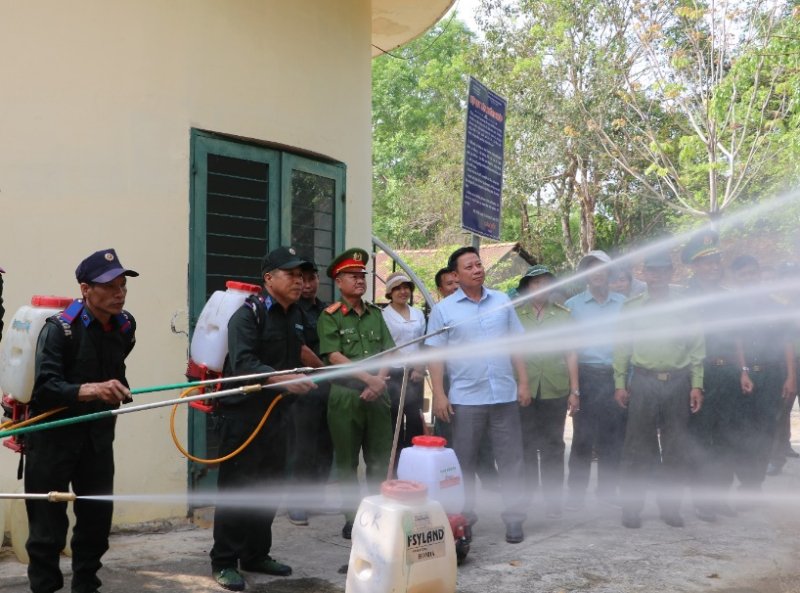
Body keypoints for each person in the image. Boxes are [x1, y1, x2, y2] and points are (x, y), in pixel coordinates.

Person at [25, 248, 138, 593]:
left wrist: (117, 389)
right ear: (86, 289)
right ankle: (45, 588)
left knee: (95, 523)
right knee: (47, 529)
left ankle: (86, 585)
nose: (119, 293)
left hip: (98, 440)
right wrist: (92, 390)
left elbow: (116, 369)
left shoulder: (125, 325)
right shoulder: (60, 329)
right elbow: (45, 389)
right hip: (53, 441)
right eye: (109, 287)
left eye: (123, 285)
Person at [210, 246, 319, 592]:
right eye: (291, 275)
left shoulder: (295, 315)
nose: (299, 281)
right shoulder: (247, 316)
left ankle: (256, 554)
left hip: (277, 415)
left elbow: (296, 354)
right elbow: (244, 366)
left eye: (302, 276)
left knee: (269, 486)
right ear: (269, 278)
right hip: (242, 415)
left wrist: (315, 371)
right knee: (238, 489)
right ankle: (224, 561)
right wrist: (285, 379)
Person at [426, 246, 530, 544]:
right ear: (455, 276)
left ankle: (514, 519)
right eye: (469, 267)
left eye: (479, 264)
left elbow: (516, 345)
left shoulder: (501, 300)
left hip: (504, 396)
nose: (477, 269)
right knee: (464, 464)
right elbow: (436, 356)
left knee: (511, 460)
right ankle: (464, 520)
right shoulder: (444, 309)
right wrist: (439, 395)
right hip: (465, 400)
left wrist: (523, 382)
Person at [613, 251, 705, 529]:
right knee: (636, 448)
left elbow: (696, 347)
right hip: (643, 381)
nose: (658, 275)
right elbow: (622, 348)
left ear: (671, 273)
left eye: (663, 270)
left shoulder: (686, 305)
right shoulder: (632, 306)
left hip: (678, 382)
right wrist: (619, 384)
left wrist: (697, 385)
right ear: (645, 274)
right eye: (652, 270)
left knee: (676, 448)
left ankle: (670, 508)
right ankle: (631, 508)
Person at [317, 247, 395, 540]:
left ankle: (379, 513)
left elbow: (388, 351)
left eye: (362, 275)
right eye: (352, 276)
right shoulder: (331, 316)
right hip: (346, 397)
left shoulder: (376, 313)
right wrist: (369, 380)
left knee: (379, 459)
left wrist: (380, 381)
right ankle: (352, 517)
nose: (360, 280)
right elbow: (333, 356)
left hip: (378, 396)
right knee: (347, 461)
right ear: (338, 281)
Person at [679, 232, 739, 522]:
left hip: (727, 373)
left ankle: (720, 496)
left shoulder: (728, 297)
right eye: (707, 262)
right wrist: (694, 382)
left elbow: (737, 336)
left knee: (727, 436)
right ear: (694, 266)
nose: (714, 266)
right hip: (699, 374)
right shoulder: (683, 298)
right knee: (700, 437)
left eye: (716, 260)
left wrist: (742, 370)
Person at [731, 256, 796, 504]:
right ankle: (744, 478)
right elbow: (736, 343)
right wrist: (743, 370)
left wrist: (790, 377)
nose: (750, 278)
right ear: (737, 279)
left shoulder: (777, 306)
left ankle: (753, 484)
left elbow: (787, 343)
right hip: (744, 376)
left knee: (765, 430)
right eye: (744, 275)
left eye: (753, 273)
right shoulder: (734, 307)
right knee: (742, 430)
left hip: (772, 375)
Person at [515, 265, 579, 519]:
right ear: (527, 287)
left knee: (553, 444)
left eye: (545, 282)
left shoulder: (564, 315)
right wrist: (522, 384)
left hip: (555, 388)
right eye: (535, 283)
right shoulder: (516, 315)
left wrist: (575, 391)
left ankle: (553, 499)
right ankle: (527, 496)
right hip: (524, 388)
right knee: (526, 444)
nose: (540, 287)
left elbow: (571, 353)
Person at [565, 251, 627, 510]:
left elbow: (630, 344)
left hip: (616, 376)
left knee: (614, 437)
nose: (597, 273)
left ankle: (607, 490)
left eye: (602, 268)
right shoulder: (573, 305)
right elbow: (569, 350)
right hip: (586, 377)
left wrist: (625, 382)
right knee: (582, 437)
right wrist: (574, 390)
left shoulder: (624, 303)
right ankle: (576, 493)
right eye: (591, 269)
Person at [433, 265, 501, 491]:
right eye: (448, 285)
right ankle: (455, 488)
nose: (454, 288)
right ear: (440, 291)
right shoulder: (440, 314)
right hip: (449, 384)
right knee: (452, 439)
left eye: (456, 283)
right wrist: (439, 394)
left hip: (478, 386)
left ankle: (490, 482)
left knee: (483, 437)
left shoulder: (479, 309)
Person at [286, 259, 333, 526]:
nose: (307, 284)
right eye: (301, 278)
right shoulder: (292, 311)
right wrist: (327, 369)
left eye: (312, 278)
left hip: (329, 388)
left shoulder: (327, 310)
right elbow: (301, 349)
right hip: (303, 389)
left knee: (327, 446)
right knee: (303, 448)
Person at [381, 272, 427, 465]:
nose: (403, 291)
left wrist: (419, 367)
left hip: (416, 373)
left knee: (415, 418)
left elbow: (424, 343)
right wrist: (408, 363)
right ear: (390, 292)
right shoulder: (383, 315)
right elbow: (387, 345)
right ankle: (396, 462)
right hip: (394, 372)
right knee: (394, 421)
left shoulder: (418, 314)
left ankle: (414, 461)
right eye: (397, 288)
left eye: (406, 287)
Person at [766, 261, 800, 475]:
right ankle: (775, 459)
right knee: (780, 411)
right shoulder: (774, 304)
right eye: (786, 276)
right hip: (786, 363)